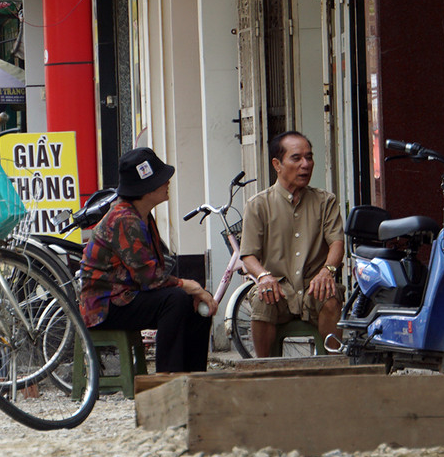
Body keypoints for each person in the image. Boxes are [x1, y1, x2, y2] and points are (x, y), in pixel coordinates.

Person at [79, 148, 216, 373]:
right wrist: (189, 285)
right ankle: (168, 381)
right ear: (144, 188)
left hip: (128, 295)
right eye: (161, 180)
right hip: (106, 306)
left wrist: (195, 292)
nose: (167, 183)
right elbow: (148, 277)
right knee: (176, 299)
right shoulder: (124, 219)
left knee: (198, 308)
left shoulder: (141, 215)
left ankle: (194, 380)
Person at [238, 131, 345, 358]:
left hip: (313, 285)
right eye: (296, 158)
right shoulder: (258, 205)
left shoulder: (326, 201)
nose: (305, 165)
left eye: (309, 157)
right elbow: (248, 256)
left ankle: (334, 366)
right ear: (277, 164)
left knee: (331, 296)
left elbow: (336, 242)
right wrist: (264, 276)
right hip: (278, 288)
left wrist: (328, 271)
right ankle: (266, 370)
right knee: (261, 298)